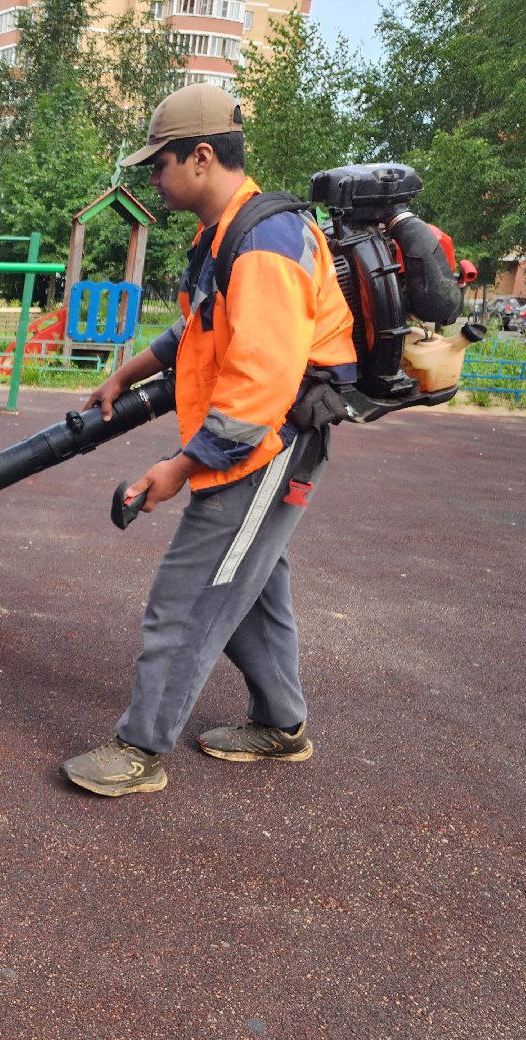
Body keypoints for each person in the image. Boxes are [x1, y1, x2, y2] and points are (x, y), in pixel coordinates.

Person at [61, 84, 358, 797]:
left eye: (157, 165)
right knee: (249, 588)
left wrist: (180, 467)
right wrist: (125, 374)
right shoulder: (228, 232)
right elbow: (196, 326)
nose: (152, 180)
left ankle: (139, 751)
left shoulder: (264, 241)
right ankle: (281, 725)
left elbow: (258, 385)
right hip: (259, 442)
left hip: (264, 446)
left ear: (200, 156)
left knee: (189, 596)